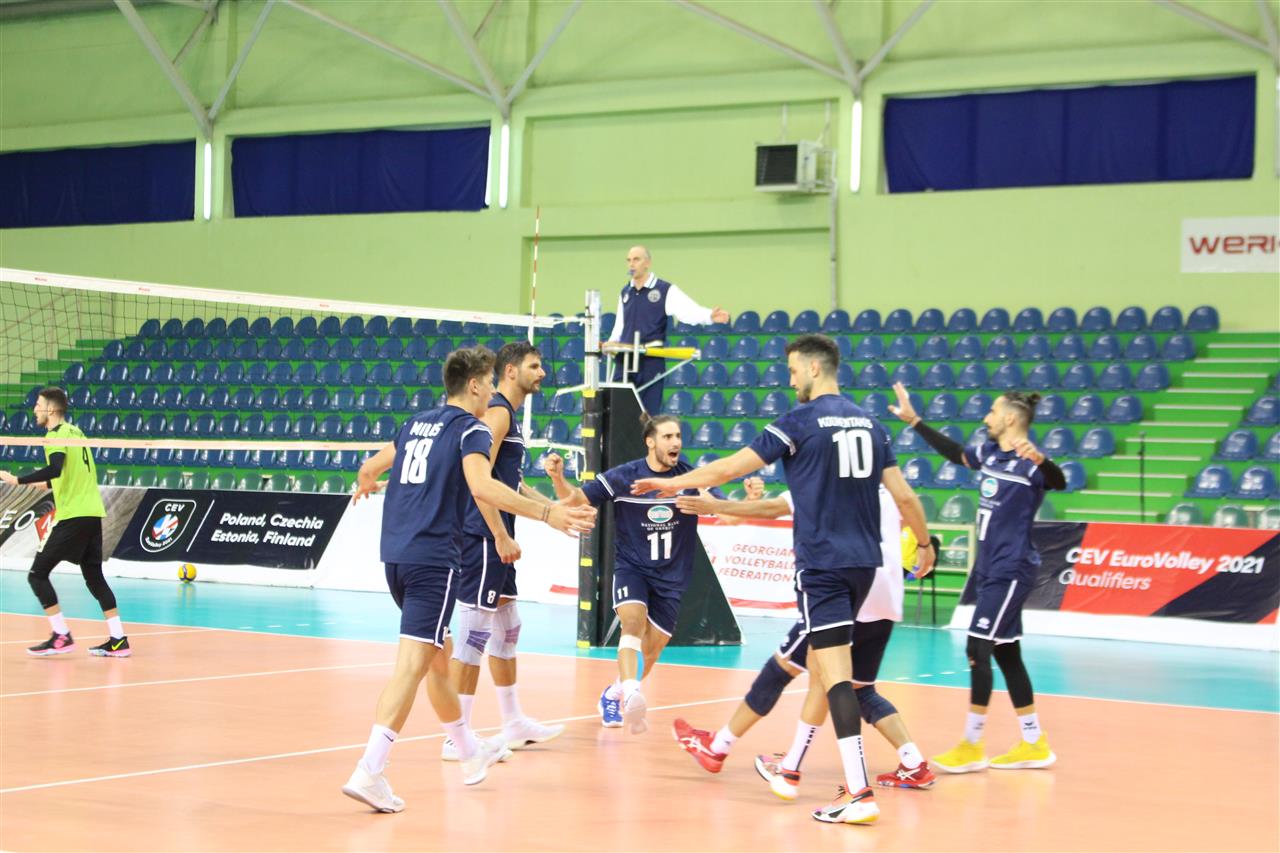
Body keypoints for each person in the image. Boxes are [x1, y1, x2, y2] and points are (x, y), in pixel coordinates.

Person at [631, 334, 933, 826]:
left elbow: (731, 467)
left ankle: (857, 793)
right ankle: (791, 767)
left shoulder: (800, 421)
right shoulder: (871, 424)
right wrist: (924, 543)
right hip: (865, 566)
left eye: (793, 371)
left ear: (814, 368)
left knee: (836, 679)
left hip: (824, 567)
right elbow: (905, 497)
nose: (790, 380)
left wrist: (673, 482)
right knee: (827, 673)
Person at [341, 348, 595, 812]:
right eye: (490, 383)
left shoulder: (416, 422)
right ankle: (369, 770)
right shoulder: (473, 428)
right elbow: (483, 486)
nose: (492, 391)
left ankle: (468, 750)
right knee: (412, 666)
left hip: (394, 556)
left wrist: (365, 481)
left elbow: (372, 466)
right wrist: (547, 514)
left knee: (439, 659)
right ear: (475, 385)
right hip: (433, 560)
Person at [670, 484, 938, 798]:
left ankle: (731, 751)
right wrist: (925, 544)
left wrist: (716, 505)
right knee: (860, 689)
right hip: (886, 596)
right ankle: (913, 762)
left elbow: (771, 508)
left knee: (785, 670)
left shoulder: (821, 475)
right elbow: (908, 502)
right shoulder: (884, 479)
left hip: (843, 593)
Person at [887, 382, 1065, 774]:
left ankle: (971, 745)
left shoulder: (1030, 463)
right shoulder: (990, 453)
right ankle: (1034, 743)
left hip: (1011, 569)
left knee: (977, 646)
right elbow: (956, 453)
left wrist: (1041, 459)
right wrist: (915, 421)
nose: (986, 418)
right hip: (989, 568)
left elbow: (1059, 481)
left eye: (992, 411)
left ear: (1011, 418)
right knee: (1006, 652)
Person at [544, 414, 726, 735]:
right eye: (668, 436)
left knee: (651, 652)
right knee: (632, 623)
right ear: (650, 441)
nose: (676, 442)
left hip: (671, 577)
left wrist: (733, 499)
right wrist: (558, 478)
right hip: (632, 569)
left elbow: (721, 508)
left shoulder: (689, 478)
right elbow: (575, 499)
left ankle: (613, 694)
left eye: (678, 436)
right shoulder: (624, 476)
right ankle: (631, 695)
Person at [442, 342, 565, 762]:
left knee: (508, 625)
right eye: (534, 366)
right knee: (474, 633)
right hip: (481, 535)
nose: (542, 372)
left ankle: (512, 722)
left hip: (498, 535)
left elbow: (510, 484)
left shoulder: (509, 415)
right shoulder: (497, 414)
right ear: (511, 371)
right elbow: (478, 480)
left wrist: (552, 508)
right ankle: (455, 736)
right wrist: (498, 533)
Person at [0, 387, 130, 658]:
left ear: (51, 409)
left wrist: (17, 480)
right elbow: (60, 478)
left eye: (38, 405)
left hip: (73, 516)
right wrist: (29, 485)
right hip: (92, 514)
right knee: (94, 577)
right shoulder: (76, 433)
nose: (34, 410)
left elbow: (55, 469)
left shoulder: (55, 436)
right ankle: (118, 640)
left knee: (37, 575)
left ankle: (61, 636)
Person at [607, 245, 730, 414]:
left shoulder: (664, 290)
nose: (631, 264)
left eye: (636, 259)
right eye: (629, 260)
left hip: (650, 360)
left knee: (647, 414)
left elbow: (688, 311)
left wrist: (709, 316)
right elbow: (620, 325)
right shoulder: (625, 292)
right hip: (625, 359)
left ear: (647, 263)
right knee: (618, 412)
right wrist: (611, 343)